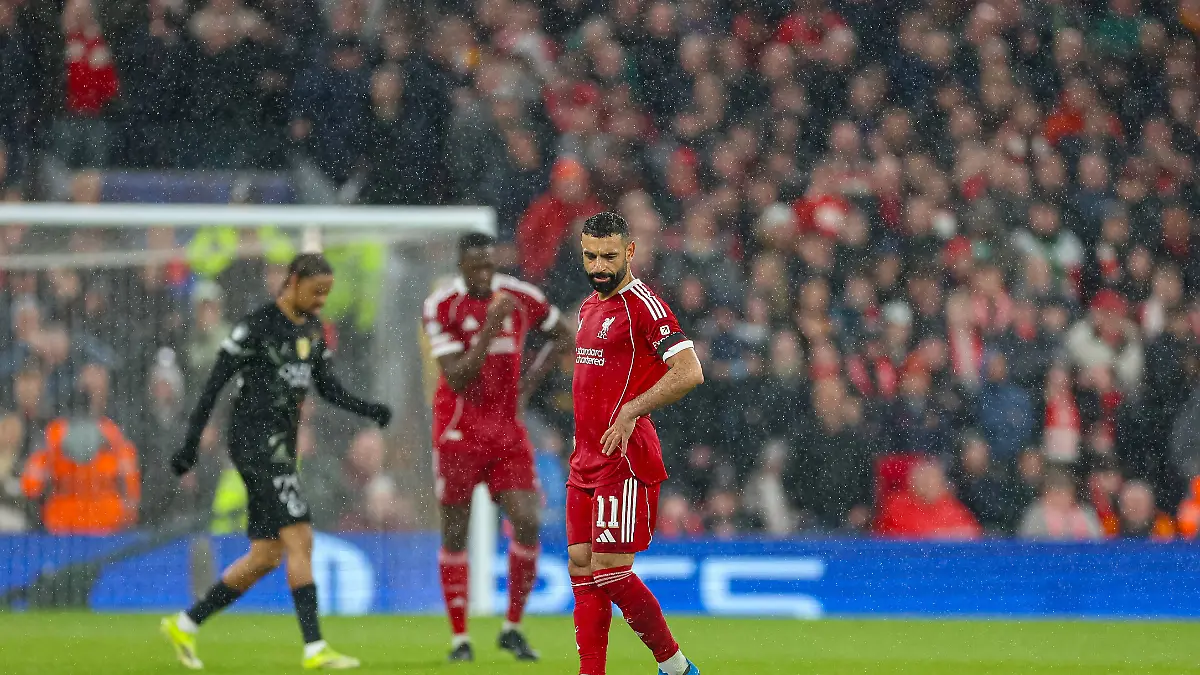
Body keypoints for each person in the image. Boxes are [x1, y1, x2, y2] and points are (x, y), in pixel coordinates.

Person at [161, 253, 392, 670]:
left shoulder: (312, 330)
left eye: (326, 293)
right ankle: (315, 648)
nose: (321, 300)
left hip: (280, 447)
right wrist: (191, 445)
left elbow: (328, 388)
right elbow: (213, 386)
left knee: (267, 555)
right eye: (316, 291)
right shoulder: (256, 327)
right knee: (301, 538)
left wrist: (367, 409)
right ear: (294, 281)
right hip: (254, 444)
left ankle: (185, 624)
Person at [422, 232, 572, 662]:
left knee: (527, 519)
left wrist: (529, 384)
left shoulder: (520, 296)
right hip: (458, 430)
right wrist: (490, 326)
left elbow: (566, 336)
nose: (485, 274)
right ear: (461, 266)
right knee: (456, 530)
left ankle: (512, 628)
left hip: (506, 430)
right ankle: (460, 638)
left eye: (489, 265)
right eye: (476, 267)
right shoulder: (441, 307)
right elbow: (457, 378)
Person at [568, 211, 704, 675]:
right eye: (590, 256)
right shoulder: (589, 307)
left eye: (609, 256)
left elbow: (690, 371)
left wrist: (630, 410)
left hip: (622, 457)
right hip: (585, 456)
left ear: (630, 251)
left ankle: (677, 667)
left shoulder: (644, 305)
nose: (599, 266)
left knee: (610, 569)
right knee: (582, 567)